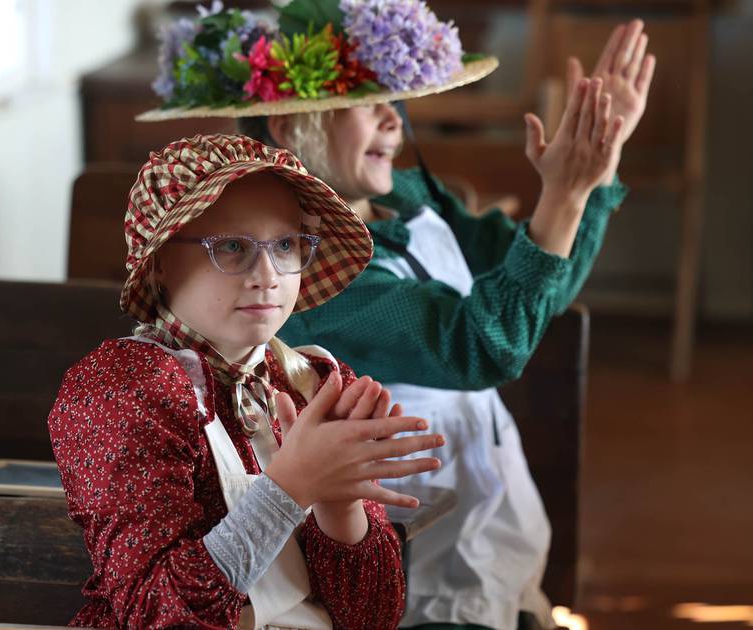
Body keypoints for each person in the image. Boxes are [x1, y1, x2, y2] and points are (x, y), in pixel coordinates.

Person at [143, 4, 655, 629]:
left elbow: (535, 278)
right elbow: (486, 343)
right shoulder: (310, 272)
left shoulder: (404, 197)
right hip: (427, 552)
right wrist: (567, 196)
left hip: (494, 506)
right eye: (367, 102)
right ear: (289, 123)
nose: (394, 118)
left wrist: (587, 186)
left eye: (398, 99)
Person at [48, 133, 444, 629]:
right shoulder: (124, 388)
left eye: (285, 245)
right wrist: (291, 486)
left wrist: (340, 505)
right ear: (162, 261)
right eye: (232, 247)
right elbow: (159, 614)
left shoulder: (315, 382)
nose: (268, 275)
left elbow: (371, 618)